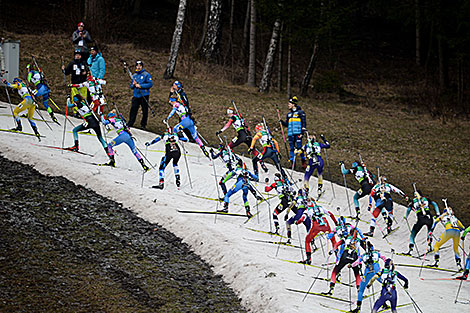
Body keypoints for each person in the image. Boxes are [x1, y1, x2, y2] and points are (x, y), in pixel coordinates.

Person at [216, 107, 268, 171]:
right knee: (254, 150)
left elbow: (228, 124)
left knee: (229, 147)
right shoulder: (239, 117)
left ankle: (236, 161)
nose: (228, 114)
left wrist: (221, 131)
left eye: (228, 113)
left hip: (241, 136)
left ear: (230, 112)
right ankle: (262, 162)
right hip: (248, 135)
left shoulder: (233, 118)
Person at [65, 94, 112, 163]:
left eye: (74, 100)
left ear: (76, 100)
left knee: (75, 130)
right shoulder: (84, 103)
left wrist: (68, 98)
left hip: (89, 122)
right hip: (95, 122)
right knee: (100, 138)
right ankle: (109, 154)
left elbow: (68, 105)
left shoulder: (78, 104)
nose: (74, 101)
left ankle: (76, 146)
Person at [165, 94, 209, 158]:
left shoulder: (176, 104)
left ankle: (180, 142)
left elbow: (173, 111)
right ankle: (202, 147)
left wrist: (168, 118)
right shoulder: (181, 105)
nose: (170, 103)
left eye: (170, 101)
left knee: (174, 130)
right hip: (190, 122)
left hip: (185, 122)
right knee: (195, 136)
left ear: (172, 100)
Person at [350, 240, 387, 313]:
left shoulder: (363, 256)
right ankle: (383, 303)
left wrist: (350, 265)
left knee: (361, 290)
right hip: (377, 272)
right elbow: (384, 258)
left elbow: (356, 263)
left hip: (367, 273)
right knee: (385, 284)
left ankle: (358, 308)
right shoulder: (377, 253)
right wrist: (387, 263)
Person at [297, 200, 338, 265]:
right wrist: (336, 223)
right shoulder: (321, 207)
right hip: (325, 224)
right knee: (333, 240)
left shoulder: (308, 210)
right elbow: (331, 214)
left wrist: (297, 222)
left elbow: (302, 219)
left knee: (307, 241)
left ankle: (308, 259)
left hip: (316, 226)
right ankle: (337, 258)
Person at [323, 228, 361, 295]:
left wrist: (332, 251)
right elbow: (362, 251)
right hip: (354, 257)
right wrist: (360, 262)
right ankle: (359, 292)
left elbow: (337, 245)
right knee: (357, 274)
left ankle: (331, 289)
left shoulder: (346, 238)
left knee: (335, 271)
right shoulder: (359, 240)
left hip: (345, 255)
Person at [403, 190, 440, 255]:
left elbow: (409, 209)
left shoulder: (413, 201)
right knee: (429, 232)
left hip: (421, 219)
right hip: (429, 218)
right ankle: (429, 246)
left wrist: (405, 216)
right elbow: (434, 204)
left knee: (413, 234)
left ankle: (410, 250)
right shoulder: (426, 199)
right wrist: (437, 213)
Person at [296, 133, 330, 198]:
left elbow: (298, 152)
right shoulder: (318, 144)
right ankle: (319, 189)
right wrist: (324, 139)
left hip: (311, 162)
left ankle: (306, 191)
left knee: (306, 176)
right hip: (320, 161)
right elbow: (328, 146)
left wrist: (296, 151)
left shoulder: (306, 145)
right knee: (320, 174)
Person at [279, 96, 306, 168]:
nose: (288, 105)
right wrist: (282, 122)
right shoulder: (289, 114)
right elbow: (287, 124)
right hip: (290, 133)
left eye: (289, 104)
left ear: (293, 104)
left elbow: (304, 122)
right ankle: (292, 162)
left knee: (299, 148)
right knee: (291, 148)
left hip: (298, 133)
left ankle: (303, 161)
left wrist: (303, 130)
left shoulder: (300, 112)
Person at [128, 60, 153, 129]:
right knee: (133, 109)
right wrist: (133, 85)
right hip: (136, 95)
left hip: (144, 95)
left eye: (140, 66)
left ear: (142, 66)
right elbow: (131, 86)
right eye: (137, 66)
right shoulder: (134, 75)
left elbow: (150, 84)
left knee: (144, 110)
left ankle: (143, 124)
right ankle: (131, 122)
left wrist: (141, 86)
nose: (138, 67)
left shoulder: (146, 75)